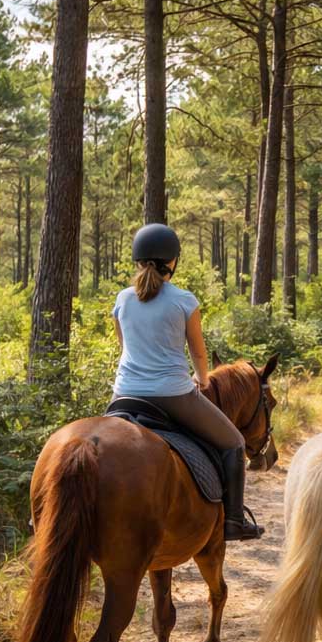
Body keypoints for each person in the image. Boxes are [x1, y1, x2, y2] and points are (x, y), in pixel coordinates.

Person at [112, 223, 263, 541]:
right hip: (172, 394)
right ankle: (234, 520)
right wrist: (202, 379)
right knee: (234, 442)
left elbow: (124, 348)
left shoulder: (123, 299)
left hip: (124, 393)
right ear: (173, 261)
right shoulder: (183, 300)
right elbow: (197, 351)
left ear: (137, 260)